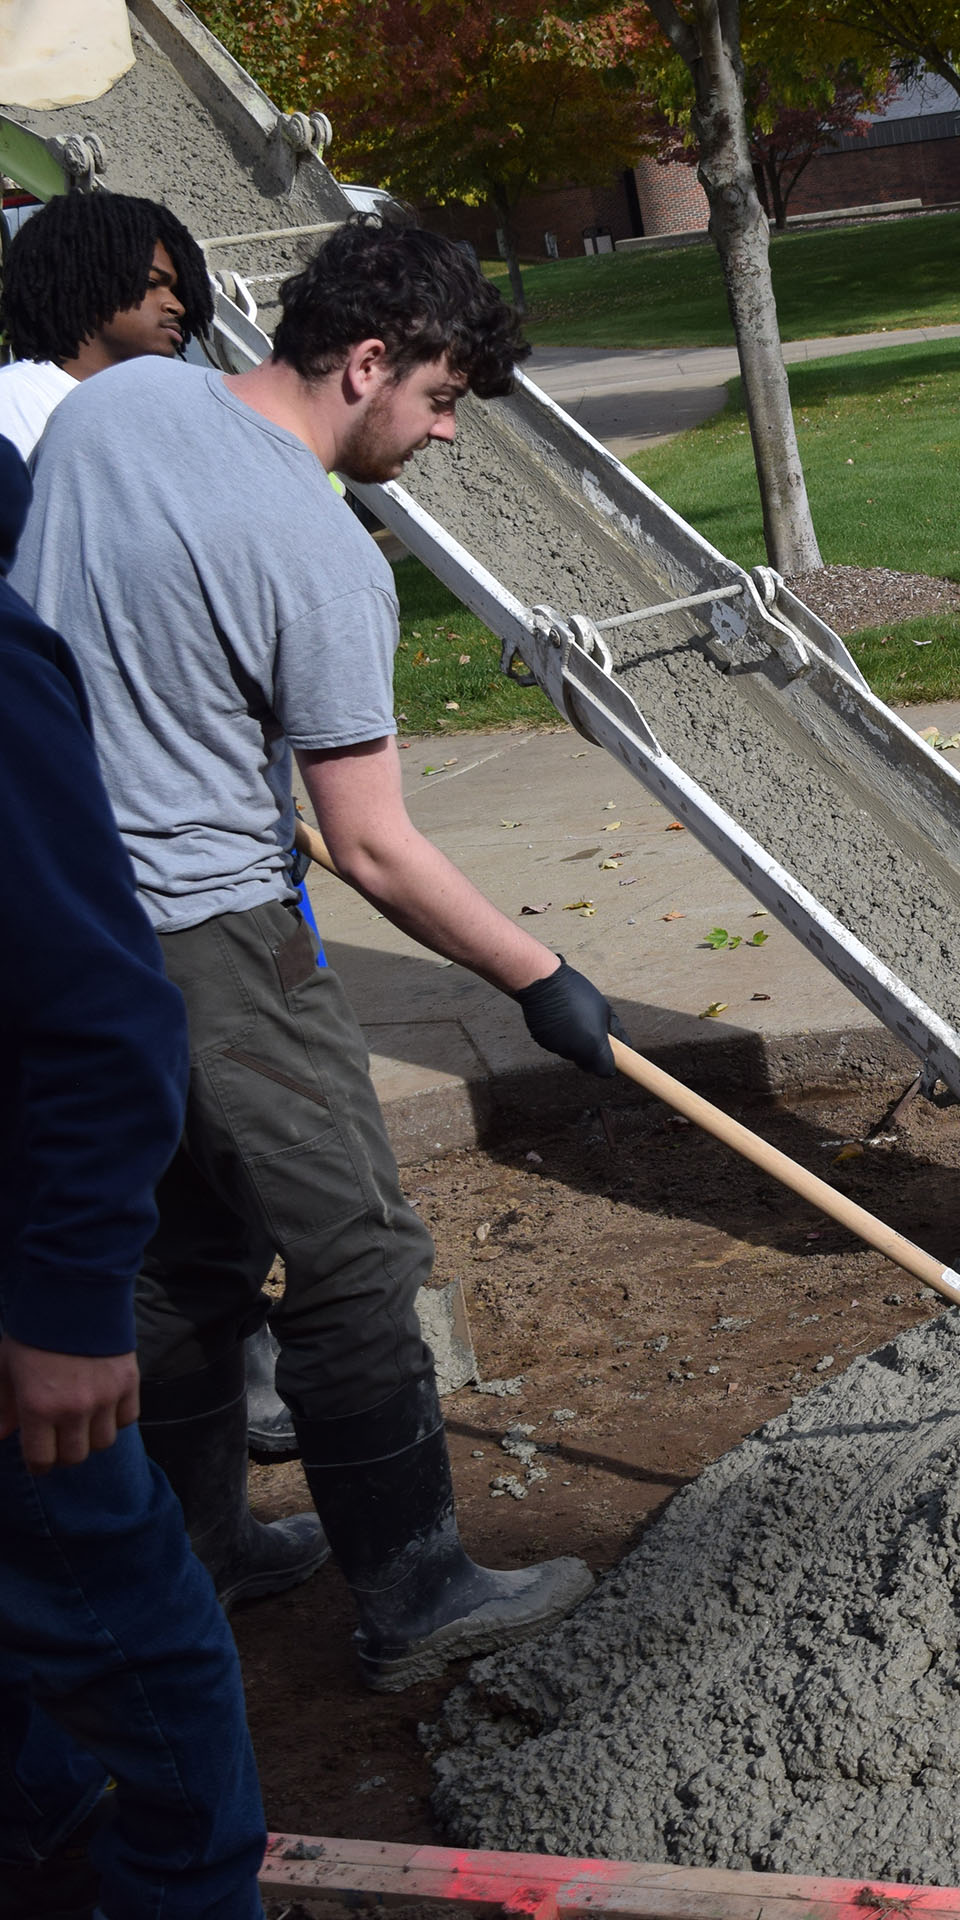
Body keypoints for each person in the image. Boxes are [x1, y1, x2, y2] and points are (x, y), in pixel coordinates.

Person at [14, 217, 620, 1691]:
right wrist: (539, 976)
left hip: (60, 920)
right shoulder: (323, 557)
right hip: (215, 938)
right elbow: (374, 845)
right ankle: (418, 1598)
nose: (442, 432)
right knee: (354, 1257)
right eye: (441, 397)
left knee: (182, 1257)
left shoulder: (115, 406)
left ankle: (192, 1558)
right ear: (367, 361)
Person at [0, 432, 266, 1920]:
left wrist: (66, 1301)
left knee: (136, 1642)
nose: (440, 434)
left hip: (17, 1303)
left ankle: (182, 1886)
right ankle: (48, 1831)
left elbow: (104, 1018)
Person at [0, 189, 211, 457]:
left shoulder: (158, 426)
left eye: (178, 293)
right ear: (81, 280)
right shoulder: (14, 399)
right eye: (151, 283)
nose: (177, 306)